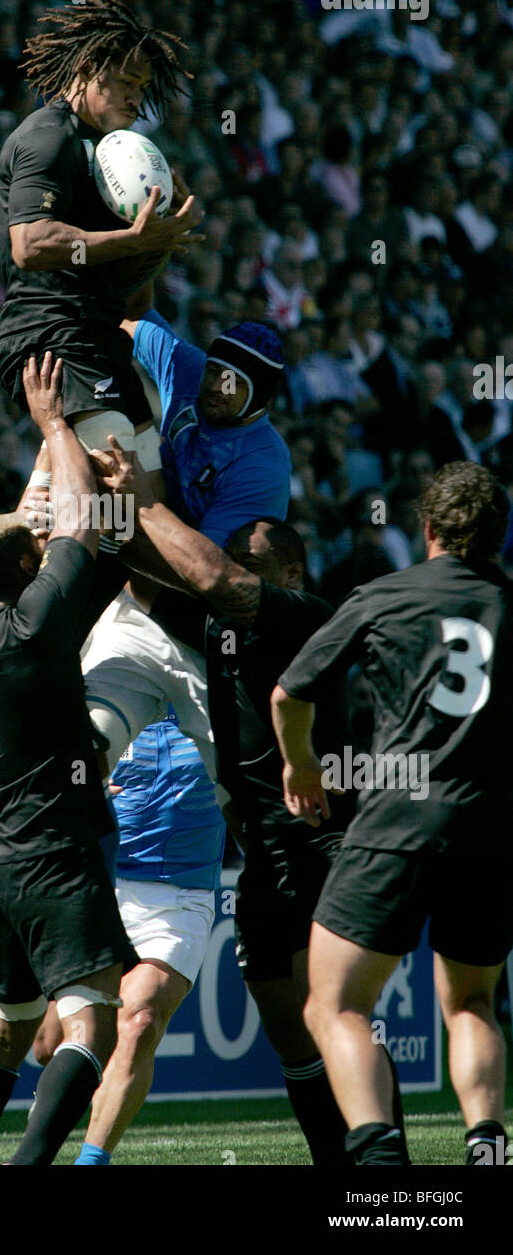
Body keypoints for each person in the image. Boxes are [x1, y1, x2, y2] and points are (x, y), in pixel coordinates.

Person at [91, 443, 363, 1164]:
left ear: (289, 573)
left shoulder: (309, 615)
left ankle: (385, 1177)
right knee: (287, 1030)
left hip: (323, 844)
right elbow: (157, 576)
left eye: (251, 557)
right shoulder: (221, 626)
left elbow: (215, 576)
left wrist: (146, 498)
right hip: (262, 858)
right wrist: (116, 507)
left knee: (333, 1018)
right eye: (232, 551)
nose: (232, 565)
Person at [271, 461, 513, 1166]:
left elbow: (291, 693)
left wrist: (302, 765)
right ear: (499, 536)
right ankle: (487, 1149)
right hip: (493, 834)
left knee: (335, 1003)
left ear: (428, 529)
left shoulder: (383, 595)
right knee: (472, 1004)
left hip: (399, 822)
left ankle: (380, 1166)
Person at [0, 353, 136, 1167]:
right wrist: (54, 425)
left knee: (10, 1026)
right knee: (93, 1023)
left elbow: (39, 541)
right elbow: (77, 524)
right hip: (51, 854)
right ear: (27, 570)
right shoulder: (34, 627)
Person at [79, 303, 290, 784]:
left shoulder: (263, 466)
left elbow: (201, 575)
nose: (216, 386)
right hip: (136, 615)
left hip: (206, 634)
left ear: (259, 396)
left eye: (234, 383)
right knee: (89, 746)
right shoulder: (188, 366)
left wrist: (129, 521)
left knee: (241, 792)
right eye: (216, 372)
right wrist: (144, 237)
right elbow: (129, 310)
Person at [0, 0, 202, 468]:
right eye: (128, 84)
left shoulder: (116, 161)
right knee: (121, 495)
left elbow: (135, 301)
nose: (137, 100)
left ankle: (4, 545)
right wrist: (131, 237)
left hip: (99, 336)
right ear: (88, 69)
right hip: (52, 334)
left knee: (150, 485)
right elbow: (29, 243)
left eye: (144, 88)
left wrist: (155, 244)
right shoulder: (50, 139)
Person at [35, 714, 225, 1165]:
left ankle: (91, 1159)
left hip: (180, 895)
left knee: (139, 1022)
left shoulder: (210, 703)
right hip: (97, 881)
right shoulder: (102, 697)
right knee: (46, 1044)